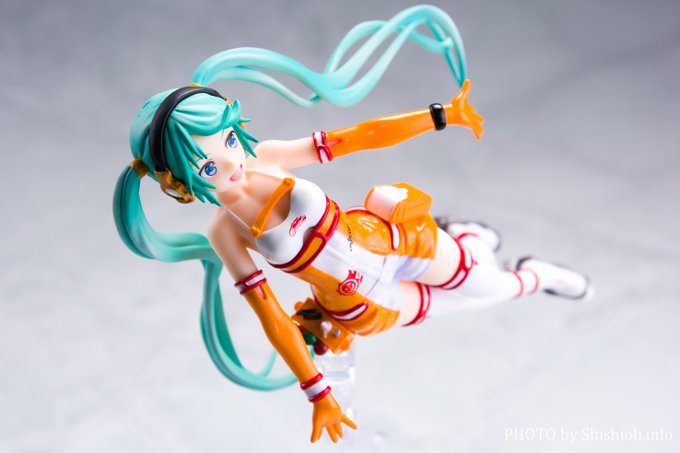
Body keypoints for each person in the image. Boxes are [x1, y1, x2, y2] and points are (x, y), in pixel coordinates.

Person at [113, 5, 591, 443]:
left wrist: (440, 115)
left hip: (392, 242)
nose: (231, 164)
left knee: (491, 287)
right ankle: (470, 236)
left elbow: (359, 136)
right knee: (463, 302)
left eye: (229, 143)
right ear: (178, 182)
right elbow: (271, 317)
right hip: (356, 304)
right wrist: (318, 394)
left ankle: (532, 272)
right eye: (207, 166)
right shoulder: (225, 232)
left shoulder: (269, 157)